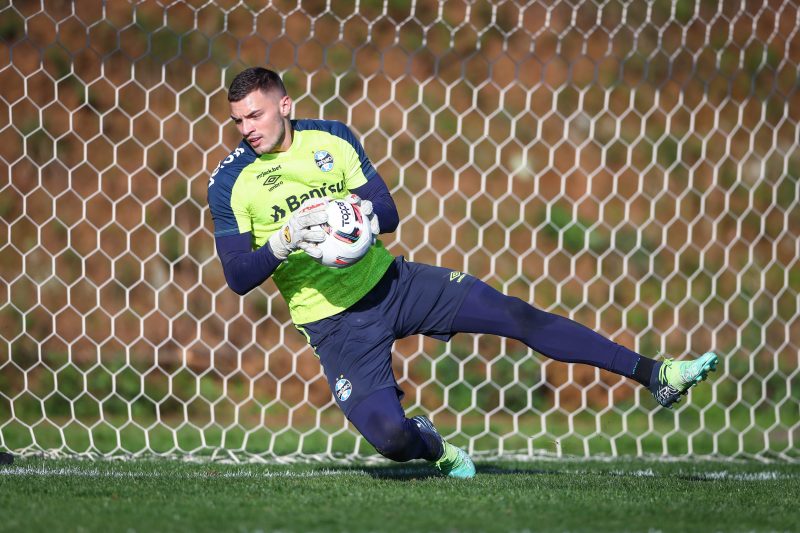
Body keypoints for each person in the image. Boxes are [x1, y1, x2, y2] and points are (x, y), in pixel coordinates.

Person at [207, 67, 718, 478]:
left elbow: (387, 213)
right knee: (391, 439)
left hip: (394, 285)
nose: (247, 128)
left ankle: (657, 374)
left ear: (285, 105)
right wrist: (286, 239)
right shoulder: (231, 182)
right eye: (238, 121)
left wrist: (347, 216)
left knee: (515, 314)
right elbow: (238, 275)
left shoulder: (333, 140)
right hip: (335, 326)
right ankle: (434, 446)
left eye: (255, 115)